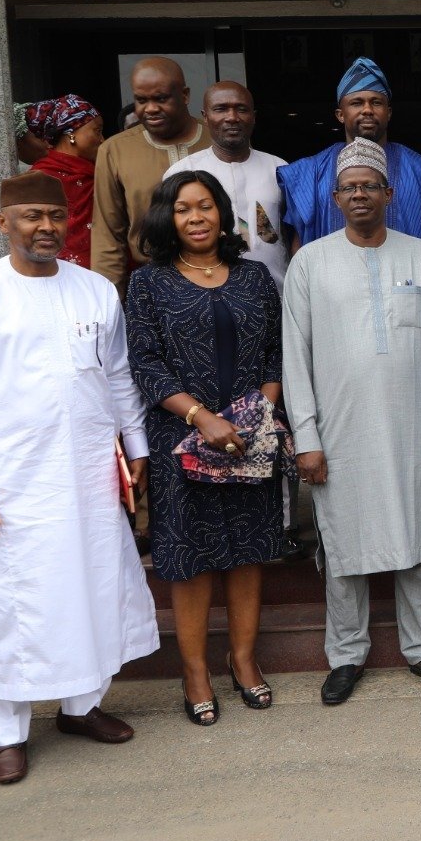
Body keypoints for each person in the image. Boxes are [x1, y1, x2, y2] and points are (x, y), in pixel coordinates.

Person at [0, 173, 158, 784]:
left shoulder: (96, 292)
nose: (46, 227)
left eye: (55, 216)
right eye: (31, 216)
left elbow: (116, 377)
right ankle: (7, 731)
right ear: (3, 222)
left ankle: (81, 707)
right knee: (13, 601)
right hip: (11, 481)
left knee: (91, 586)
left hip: (86, 473)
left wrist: (135, 446)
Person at [282, 137, 421, 705]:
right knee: (345, 542)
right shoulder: (309, 261)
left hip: (415, 426)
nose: (360, 195)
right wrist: (305, 436)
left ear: (390, 192)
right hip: (341, 430)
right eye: (349, 188)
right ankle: (347, 654)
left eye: (370, 186)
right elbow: (295, 356)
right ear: (335, 198)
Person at [126, 172, 287, 723]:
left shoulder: (256, 277)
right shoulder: (149, 284)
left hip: (247, 440)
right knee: (190, 561)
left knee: (247, 553)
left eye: (205, 207)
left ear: (223, 214)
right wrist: (201, 417)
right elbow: (144, 362)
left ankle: (242, 660)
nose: (195, 218)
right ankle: (194, 671)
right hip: (181, 441)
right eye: (182, 209)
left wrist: (256, 415)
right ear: (166, 219)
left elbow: (274, 353)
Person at [276, 56, 421, 248]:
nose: (367, 109)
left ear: (389, 113)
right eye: (357, 103)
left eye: (376, 102)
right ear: (340, 115)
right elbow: (299, 241)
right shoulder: (311, 172)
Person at [92, 56, 211, 292]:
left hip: (220, 276)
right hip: (152, 284)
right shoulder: (115, 150)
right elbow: (108, 236)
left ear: (185, 95)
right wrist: (110, 303)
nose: (151, 109)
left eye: (161, 98)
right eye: (141, 100)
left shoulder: (216, 139)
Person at [164, 83, 288, 289]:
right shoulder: (181, 173)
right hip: (207, 296)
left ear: (254, 116)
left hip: (277, 293)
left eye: (241, 109)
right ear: (205, 116)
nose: (232, 117)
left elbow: (293, 235)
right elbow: (169, 240)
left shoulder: (279, 169)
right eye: (220, 109)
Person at [23, 95, 104, 266]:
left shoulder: (102, 170)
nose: (102, 139)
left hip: (105, 272)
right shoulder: (40, 178)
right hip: (58, 272)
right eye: (97, 131)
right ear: (71, 133)